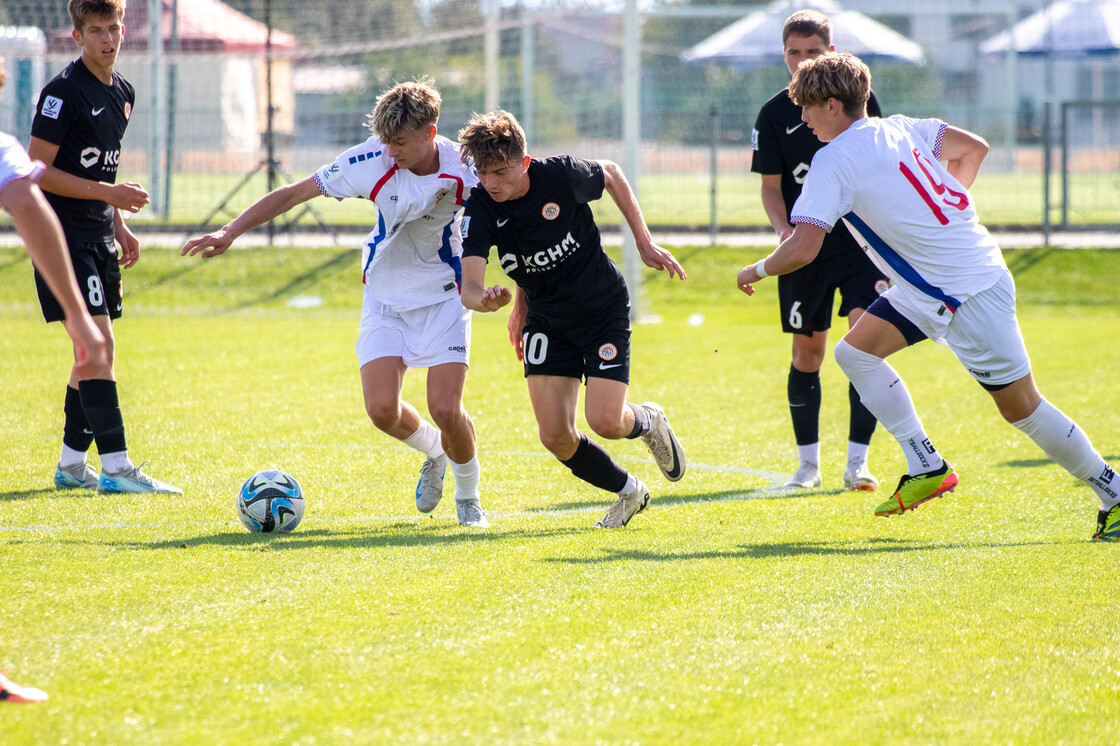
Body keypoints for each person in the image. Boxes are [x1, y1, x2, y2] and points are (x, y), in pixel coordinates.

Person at [736, 52, 1120, 541]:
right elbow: (973, 148)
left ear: (832, 105)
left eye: (808, 108)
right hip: (935, 285)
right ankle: (927, 464)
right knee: (854, 353)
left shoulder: (833, 159)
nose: (804, 120)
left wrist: (756, 269)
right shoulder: (899, 127)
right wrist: (938, 211)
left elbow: (804, 247)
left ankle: (1114, 491)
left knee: (1022, 407)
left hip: (965, 292)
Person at [182, 80, 488, 527]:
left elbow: (509, 210)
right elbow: (292, 194)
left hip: (445, 295)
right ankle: (435, 450)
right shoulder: (369, 160)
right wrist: (230, 231)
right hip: (384, 295)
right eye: (386, 141)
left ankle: (468, 499)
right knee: (381, 411)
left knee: (445, 408)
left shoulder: (466, 168)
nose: (391, 151)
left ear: (430, 132)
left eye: (400, 142)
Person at [457, 110, 687, 529]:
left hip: (601, 308)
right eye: (483, 172)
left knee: (605, 421)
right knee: (555, 436)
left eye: (500, 171)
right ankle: (629, 491)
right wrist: (489, 300)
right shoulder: (480, 208)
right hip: (547, 320)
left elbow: (613, 174)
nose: (490, 182)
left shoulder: (560, 176)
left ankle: (649, 421)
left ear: (523, 162)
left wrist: (643, 241)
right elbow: (469, 287)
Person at [29, 0, 179, 495]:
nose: (108, 39)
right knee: (100, 346)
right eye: (96, 31)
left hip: (97, 236)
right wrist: (109, 196)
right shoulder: (62, 93)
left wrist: (118, 224)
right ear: (77, 37)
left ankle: (72, 466)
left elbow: (100, 171)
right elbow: (38, 171)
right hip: (62, 236)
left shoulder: (124, 93)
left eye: (113, 28)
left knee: (89, 352)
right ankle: (116, 467)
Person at [751, 9, 888, 492]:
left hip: (859, 249)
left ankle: (859, 463)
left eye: (812, 52)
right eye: (794, 52)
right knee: (808, 354)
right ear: (784, 53)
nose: (802, 60)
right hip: (804, 248)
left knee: (863, 344)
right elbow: (771, 187)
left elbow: (880, 165)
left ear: (830, 51)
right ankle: (808, 465)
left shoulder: (856, 99)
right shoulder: (773, 113)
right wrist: (784, 232)